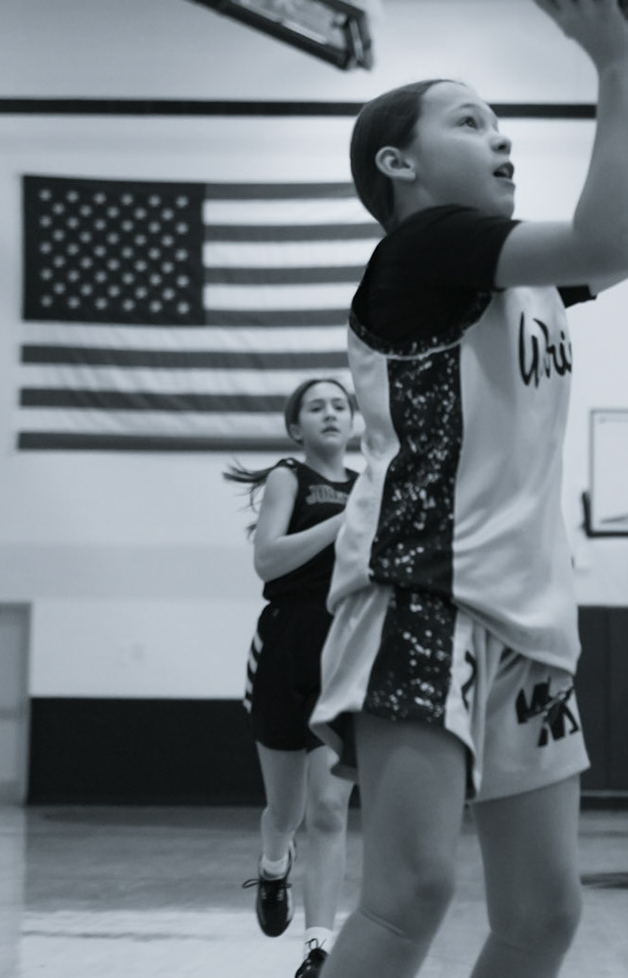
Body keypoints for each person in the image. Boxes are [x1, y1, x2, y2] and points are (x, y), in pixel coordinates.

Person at [310, 0, 628, 978]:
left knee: (545, 915)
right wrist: (616, 61)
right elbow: (606, 235)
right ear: (399, 163)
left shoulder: (522, 276)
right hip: (423, 594)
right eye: (471, 121)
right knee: (410, 892)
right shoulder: (422, 251)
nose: (500, 139)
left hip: (530, 615)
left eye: (502, 124)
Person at [225, 378, 360, 978]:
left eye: (339, 405)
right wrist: (344, 521)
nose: (330, 413)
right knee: (287, 810)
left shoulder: (370, 486)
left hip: (345, 650)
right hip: (284, 647)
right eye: (316, 406)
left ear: (354, 420)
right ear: (295, 427)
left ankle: (318, 949)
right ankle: (274, 864)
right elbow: (268, 559)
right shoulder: (289, 477)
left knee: (330, 809)